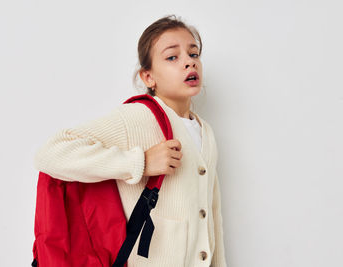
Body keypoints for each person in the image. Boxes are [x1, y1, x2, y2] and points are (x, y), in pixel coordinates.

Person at [33, 14, 227, 267]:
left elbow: (212, 215)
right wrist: (141, 162)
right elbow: (49, 153)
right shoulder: (138, 117)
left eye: (194, 54)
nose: (189, 64)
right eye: (172, 57)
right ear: (148, 78)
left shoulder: (206, 131)